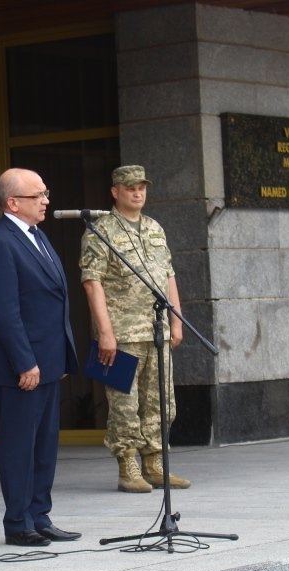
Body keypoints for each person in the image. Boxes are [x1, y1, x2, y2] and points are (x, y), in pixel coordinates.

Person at [0, 168, 79, 547]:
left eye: (45, 193)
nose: (46, 201)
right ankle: (18, 522)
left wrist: (61, 356)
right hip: (22, 367)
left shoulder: (36, 235)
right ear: (12, 202)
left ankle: (40, 514)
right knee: (20, 446)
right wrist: (25, 362)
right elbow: (5, 311)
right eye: (38, 195)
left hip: (48, 361)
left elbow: (54, 299)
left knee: (44, 445)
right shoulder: (1, 243)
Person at [79, 165, 191, 493]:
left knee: (161, 402)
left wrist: (176, 319)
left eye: (141, 187)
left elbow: (168, 275)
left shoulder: (155, 227)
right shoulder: (100, 231)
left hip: (156, 331)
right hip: (121, 335)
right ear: (115, 192)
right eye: (130, 188)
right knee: (124, 404)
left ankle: (155, 463)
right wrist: (105, 332)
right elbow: (92, 282)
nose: (138, 193)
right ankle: (127, 466)